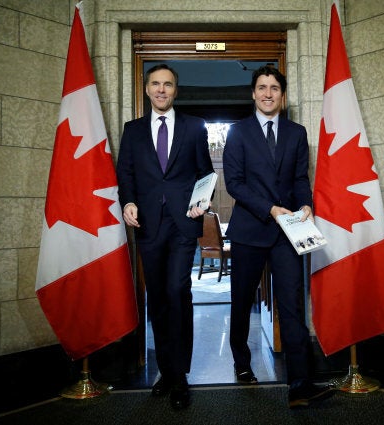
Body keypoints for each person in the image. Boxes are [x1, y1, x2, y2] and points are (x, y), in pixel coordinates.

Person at [222, 66, 338, 408]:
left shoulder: (297, 133)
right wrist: (271, 209)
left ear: (282, 96)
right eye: (262, 87)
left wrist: (306, 205)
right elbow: (235, 184)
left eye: (274, 88)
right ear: (253, 94)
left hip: (290, 234)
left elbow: (301, 178)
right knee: (241, 302)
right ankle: (242, 364)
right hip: (250, 230)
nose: (268, 93)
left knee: (291, 305)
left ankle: (301, 383)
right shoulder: (238, 132)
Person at [117, 64, 214, 409]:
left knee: (178, 291)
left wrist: (202, 203)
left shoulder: (193, 126)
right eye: (155, 84)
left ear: (176, 90)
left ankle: (180, 376)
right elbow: (125, 172)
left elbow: (206, 172)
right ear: (146, 89)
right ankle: (166, 371)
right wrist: (127, 201)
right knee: (157, 298)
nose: (161, 90)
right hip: (148, 225)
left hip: (183, 223)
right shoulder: (132, 131)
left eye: (168, 84)